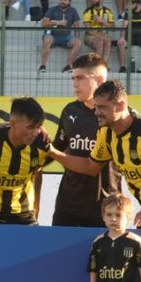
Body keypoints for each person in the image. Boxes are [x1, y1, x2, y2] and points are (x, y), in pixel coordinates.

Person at [48, 80, 141, 230]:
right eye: (95, 107)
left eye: (102, 107)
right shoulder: (106, 132)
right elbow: (91, 166)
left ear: (121, 106)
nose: (96, 112)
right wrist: (51, 151)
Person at [51, 53, 121, 227]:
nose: (74, 84)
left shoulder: (118, 117)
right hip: (67, 206)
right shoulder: (69, 110)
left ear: (99, 80)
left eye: (80, 78)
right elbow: (57, 147)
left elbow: (92, 166)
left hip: (106, 207)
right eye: (73, 78)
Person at [39, 0, 81, 73]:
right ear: (59, 1)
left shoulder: (73, 10)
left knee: (78, 42)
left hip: (66, 36)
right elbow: (43, 23)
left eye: (65, 0)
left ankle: (68, 66)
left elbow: (76, 26)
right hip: (52, 35)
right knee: (48, 39)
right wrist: (57, 22)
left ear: (69, 2)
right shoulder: (52, 9)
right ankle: (43, 66)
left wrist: (76, 37)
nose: (62, 2)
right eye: (61, 0)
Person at [83, 0, 115, 64]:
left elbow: (113, 28)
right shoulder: (87, 11)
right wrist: (99, 35)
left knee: (108, 40)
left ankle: (104, 63)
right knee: (100, 41)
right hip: (90, 35)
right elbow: (88, 30)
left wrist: (103, 21)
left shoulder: (108, 11)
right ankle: (98, 64)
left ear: (101, 0)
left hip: (103, 34)